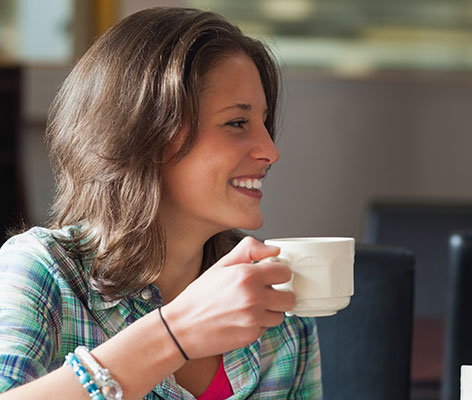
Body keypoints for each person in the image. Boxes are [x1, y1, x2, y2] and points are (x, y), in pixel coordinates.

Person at [0, 7, 322, 399]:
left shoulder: (280, 313)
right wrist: (177, 333)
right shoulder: (43, 273)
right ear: (145, 133)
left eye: (264, 123)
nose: (270, 151)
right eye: (237, 123)